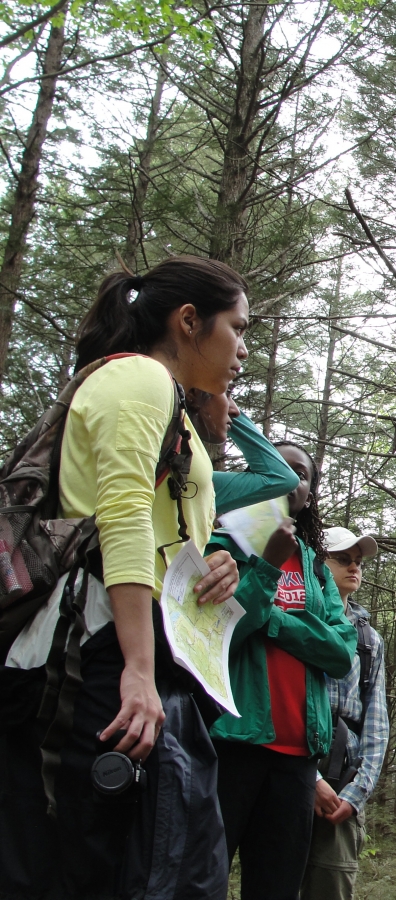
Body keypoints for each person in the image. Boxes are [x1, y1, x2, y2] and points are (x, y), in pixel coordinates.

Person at [0, 256, 248, 899]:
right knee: (76, 859)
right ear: (189, 321)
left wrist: (213, 561)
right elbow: (123, 515)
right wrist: (138, 669)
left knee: (159, 865)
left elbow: (164, 532)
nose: (244, 350)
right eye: (238, 329)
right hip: (95, 656)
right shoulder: (137, 378)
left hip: (148, 657)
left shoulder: (182, 417)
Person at [207, 440, 357, 900]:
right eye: (283, 469)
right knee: (201, 879)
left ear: (308, 494)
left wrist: (272, 619)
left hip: (297, 762)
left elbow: (339, 652)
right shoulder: (219, 546)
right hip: (232, 747)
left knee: (276, 889)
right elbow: (221, 630)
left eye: (303, 473)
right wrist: (267, 567)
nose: (293, 479)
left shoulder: (315, 568)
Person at [301, 526, 389, 900]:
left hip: (342, 780)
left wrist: (356, 793)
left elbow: (376, 721)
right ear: (319, 561)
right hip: (289, 767)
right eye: (342, 559)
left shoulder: (369, 640)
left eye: (358, 561)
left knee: (332, 885)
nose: (354, 567)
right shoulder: (296, 615)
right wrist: (307, 778)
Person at [186, 386, 300, 516]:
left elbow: (282, 478)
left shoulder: (194, 480)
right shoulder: (192, 479)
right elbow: (280, 478)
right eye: (227, 393)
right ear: (192, 394)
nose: (236, 411)